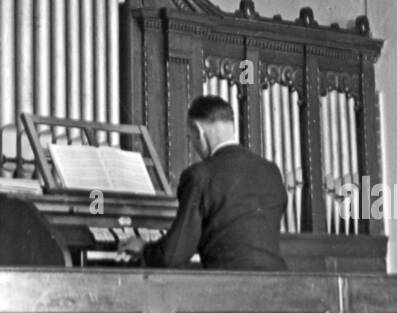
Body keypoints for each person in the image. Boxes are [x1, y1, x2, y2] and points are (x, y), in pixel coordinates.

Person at [119, 95, 288, 270]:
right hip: (279, 283)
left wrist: (144, 248)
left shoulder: (199, 176)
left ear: (198, 130)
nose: (193, 143)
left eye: (190, 137)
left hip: (229, 289)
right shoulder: (272, 171)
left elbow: (172, 255)